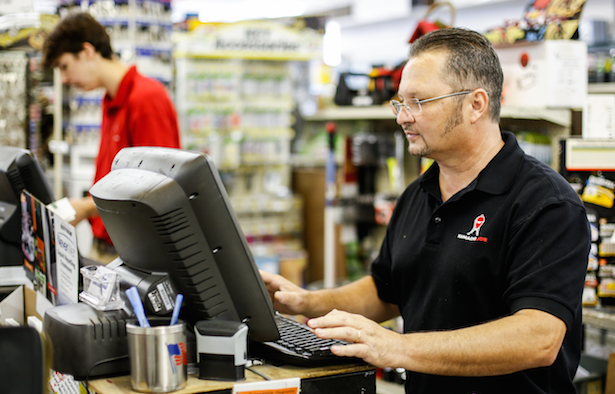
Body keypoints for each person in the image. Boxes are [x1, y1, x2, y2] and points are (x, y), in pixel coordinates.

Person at [261, 27, 590, 393]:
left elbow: (538, 338)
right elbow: (387, 291)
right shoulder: (418, 194)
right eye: (401, 103)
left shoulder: (545, 203)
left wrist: (396, 347)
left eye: (419, 101)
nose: (403, 117)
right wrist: (305, 302)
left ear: (476, 104)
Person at [42, 12, 181, 263]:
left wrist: (85, 207)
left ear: (87, 52)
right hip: (110, 244)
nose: (64, 79)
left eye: (64, 66)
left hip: (135, 252)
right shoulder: (111, 99)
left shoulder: (146, 98)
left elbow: (158, 187)